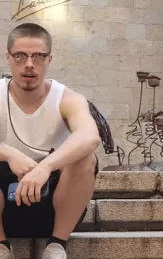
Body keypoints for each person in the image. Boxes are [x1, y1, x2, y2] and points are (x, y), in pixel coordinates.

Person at [0, 23, 100, 259]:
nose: (29, 64)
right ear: (8, 58)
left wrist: (45, 166)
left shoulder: (68, 98)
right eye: (20, 56)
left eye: (38, 56)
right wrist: (10, 154)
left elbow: (89, 136)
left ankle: (56, 245)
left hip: (55, 208)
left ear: (49, 59)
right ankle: (2, 246)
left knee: (86, 156)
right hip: (5, 207)